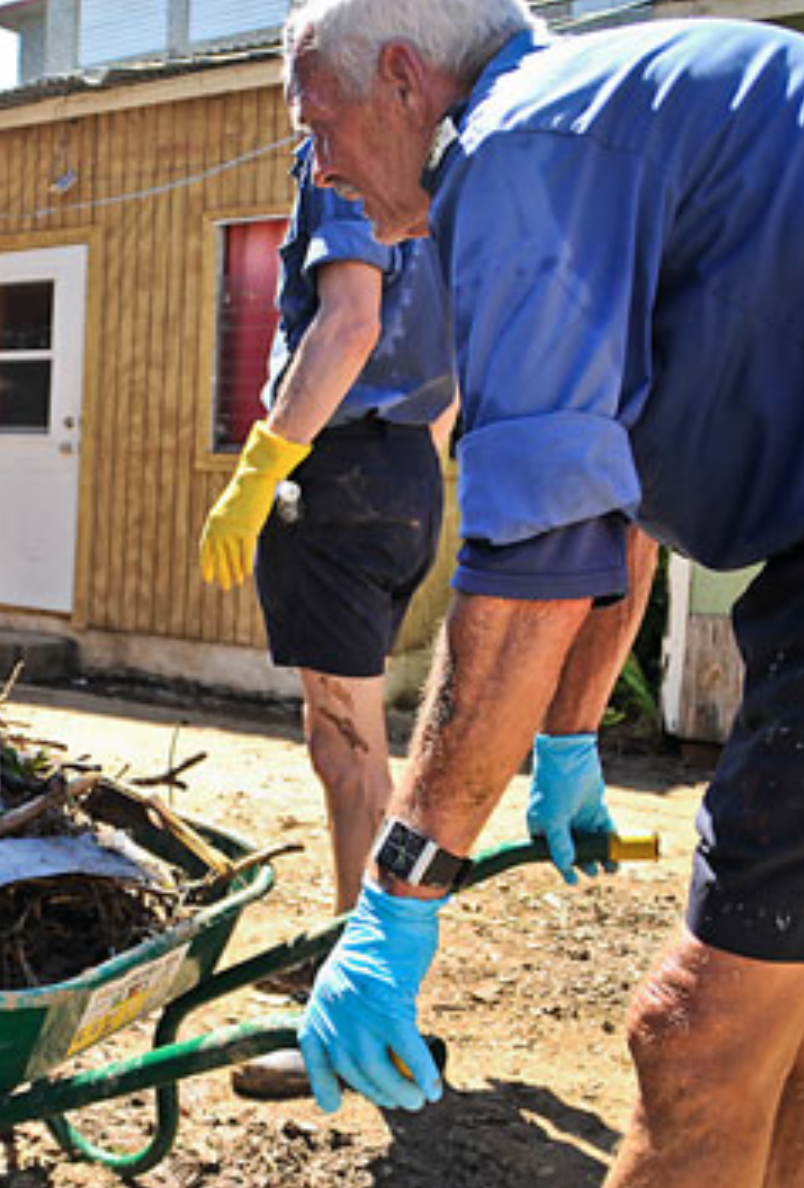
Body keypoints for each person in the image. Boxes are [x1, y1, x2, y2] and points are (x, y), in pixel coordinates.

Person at [280, 4, 804, 1186]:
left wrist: (398, 902)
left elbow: (532, 567)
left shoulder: (519, 147)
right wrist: (568, 738)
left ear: (405, 81)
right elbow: (611, 507)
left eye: (321, 125)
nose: (320, 169)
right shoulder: (601, 113)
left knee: (696, 1040)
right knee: (783, 1036)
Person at [202, 141, 458, 921]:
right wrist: (409, 466)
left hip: (335, 467)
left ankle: (358, 966)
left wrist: (258, 474)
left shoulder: (348, 150)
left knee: (347, 750)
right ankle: (367, 944)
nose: (304, 119)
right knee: (363, 739)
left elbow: (349, 323)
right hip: (409, 465)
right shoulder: (448, 167)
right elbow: (454, 352)